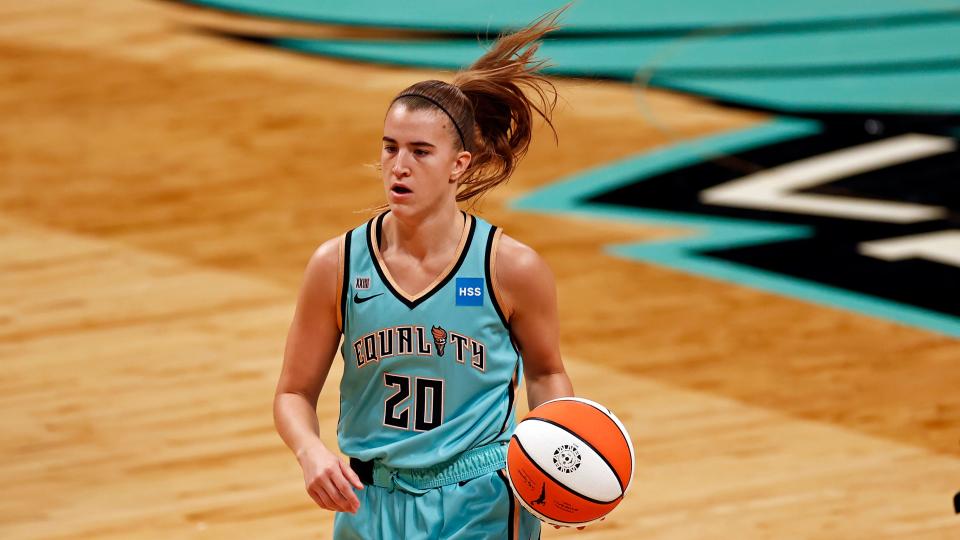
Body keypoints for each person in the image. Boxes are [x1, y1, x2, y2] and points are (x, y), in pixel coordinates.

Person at [274, 9, 573, 539]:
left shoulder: (511, 268)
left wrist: (559, 457)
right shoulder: (337, 265)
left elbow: (547, 373)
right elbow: (293, 392)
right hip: (369, 499)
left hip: (480, 497)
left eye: (419, 151)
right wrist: (311, 452)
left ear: (458, 164)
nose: (398, 166)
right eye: (389, 148)